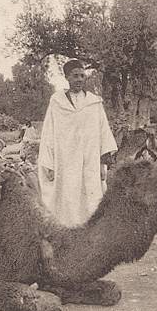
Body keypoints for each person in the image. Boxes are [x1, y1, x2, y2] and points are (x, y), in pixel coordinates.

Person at [38, 60, 118, 227]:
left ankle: (89, 232)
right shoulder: (57, 102)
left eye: (82, 76)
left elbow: (103, 132)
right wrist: (49, 163)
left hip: (90, 161)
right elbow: (48, 134)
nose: (80, 79)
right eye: (75, 76)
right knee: (66, 198)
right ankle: (68, 232)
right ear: (67, 77)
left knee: (91, 199)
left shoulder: (94, 103)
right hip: (65, 162)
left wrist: (103, 164)